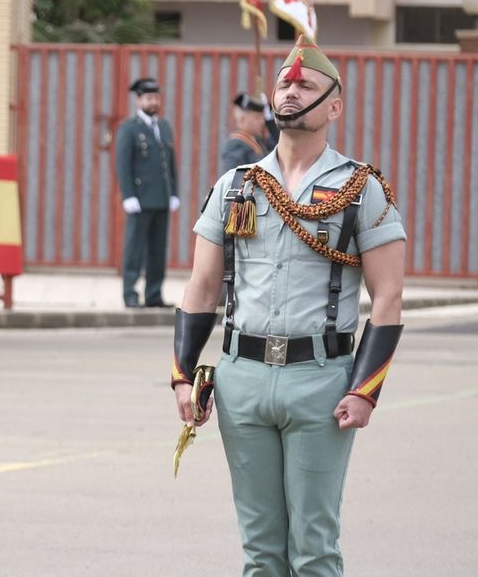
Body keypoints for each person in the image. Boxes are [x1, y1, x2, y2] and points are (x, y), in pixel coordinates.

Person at [172, 36, 405, 577]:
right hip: (241, 379)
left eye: (305, 85)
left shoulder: (360, 187)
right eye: (284, 83)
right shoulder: (235, 186)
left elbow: (387, 296)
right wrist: (183, 375)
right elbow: (201, 288)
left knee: (314, 548)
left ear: (334, 106)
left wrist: (365, 389)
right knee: (260, 551)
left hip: (320, 379)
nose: (292, 91)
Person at [115, 76, 179, 308]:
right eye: (148, 98)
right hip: (140, 199)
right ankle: (130, 294)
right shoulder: (129, 129)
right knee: (135, 249)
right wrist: (128, 195)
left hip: (161, 199)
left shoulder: (164, 126)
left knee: (157, 250)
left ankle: (154, 295)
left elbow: (170, 163)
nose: (153, 102)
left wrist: (173, 192)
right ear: (139, 100)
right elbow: (123, 165)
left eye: (156, 98)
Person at [220, 91, 279, 175]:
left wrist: (270, 122)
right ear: (242, 119)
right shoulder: (235, 144)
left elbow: (279, 145)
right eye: (257, 118)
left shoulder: (257, 141)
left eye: (263, 117)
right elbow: (235, 179)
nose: (262, 122)